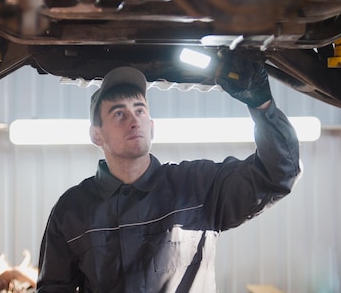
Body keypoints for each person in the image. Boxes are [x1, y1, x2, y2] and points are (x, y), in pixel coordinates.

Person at [36, 60, 301, 292]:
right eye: (119, 113)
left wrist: (262, 105)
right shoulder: (72, 211)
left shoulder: (198, 186)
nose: (133, 120)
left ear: (151, 127)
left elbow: (277, 173)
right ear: (97, 134)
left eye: (140, 110)